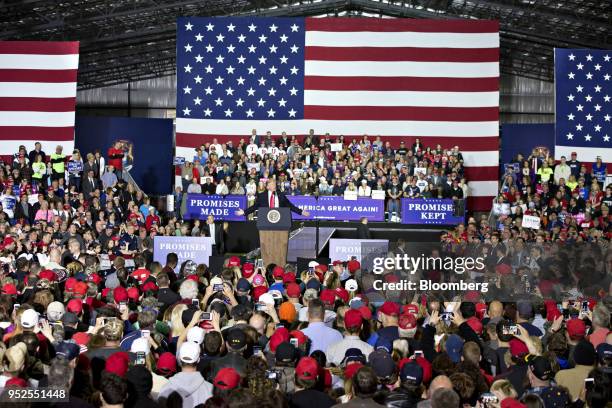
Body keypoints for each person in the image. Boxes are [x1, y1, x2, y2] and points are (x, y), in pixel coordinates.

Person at [236, 179, 309, 217]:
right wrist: (244, 212)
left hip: (279, 221)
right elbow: (255, 207)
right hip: (266, 222)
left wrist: (301, 212)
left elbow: (290, 206)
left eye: (275, 183)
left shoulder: (280, 195)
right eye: (272, 184)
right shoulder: (262, 196)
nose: (275, 185)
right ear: (267, 187)